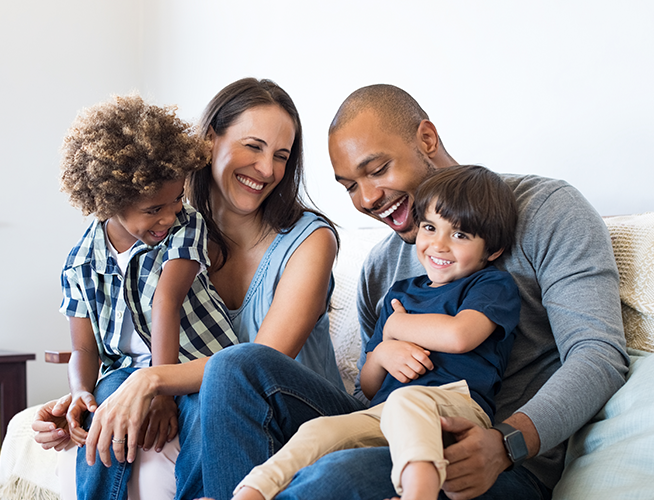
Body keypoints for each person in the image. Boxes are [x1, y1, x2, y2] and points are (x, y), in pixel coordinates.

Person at [195, 84, 628, 500]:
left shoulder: (546, 209)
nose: (366, 199)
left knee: (336, 477)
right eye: (349, 186)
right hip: (389, 432)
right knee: (236, 366)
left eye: (378, 169)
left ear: (427, 138)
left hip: (495, 461)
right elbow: (372, 391)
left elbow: (598, 354)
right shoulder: (381, 267)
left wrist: (505, 443)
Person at [33, 78, 348, 500]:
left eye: (281, 156)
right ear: (209, 140)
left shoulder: (310, 241)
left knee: (223, 381)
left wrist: (150, 381)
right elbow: (125, 339)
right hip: (204, 397)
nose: (269, 169)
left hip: (294, 413)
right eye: (253, 146)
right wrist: (84, 400)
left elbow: (256, 366)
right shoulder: (163, 230)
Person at [232, 165, 520, 500]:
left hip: (455, 408)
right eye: (429, 227)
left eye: (460, 235)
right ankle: (248, 493)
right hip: (384, 412)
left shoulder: (490, 284)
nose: (438, 245)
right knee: (319, 429)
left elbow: (460, 336)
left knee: (405, 400)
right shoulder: (400, 294)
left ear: (493, 250)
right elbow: (369, 386)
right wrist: (383, 353)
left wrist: (398, 327)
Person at [57, 94, 240, 499]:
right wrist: (80, 393)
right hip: (125, 372)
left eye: (177, 199)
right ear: (111, 202)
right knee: (103, 408)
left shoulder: (185, 226)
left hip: (196, 365)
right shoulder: (80, 263)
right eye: (155, 208)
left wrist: (160, 390)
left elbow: (166, 300)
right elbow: (83, 350)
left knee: (202, 415)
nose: (169, 215)